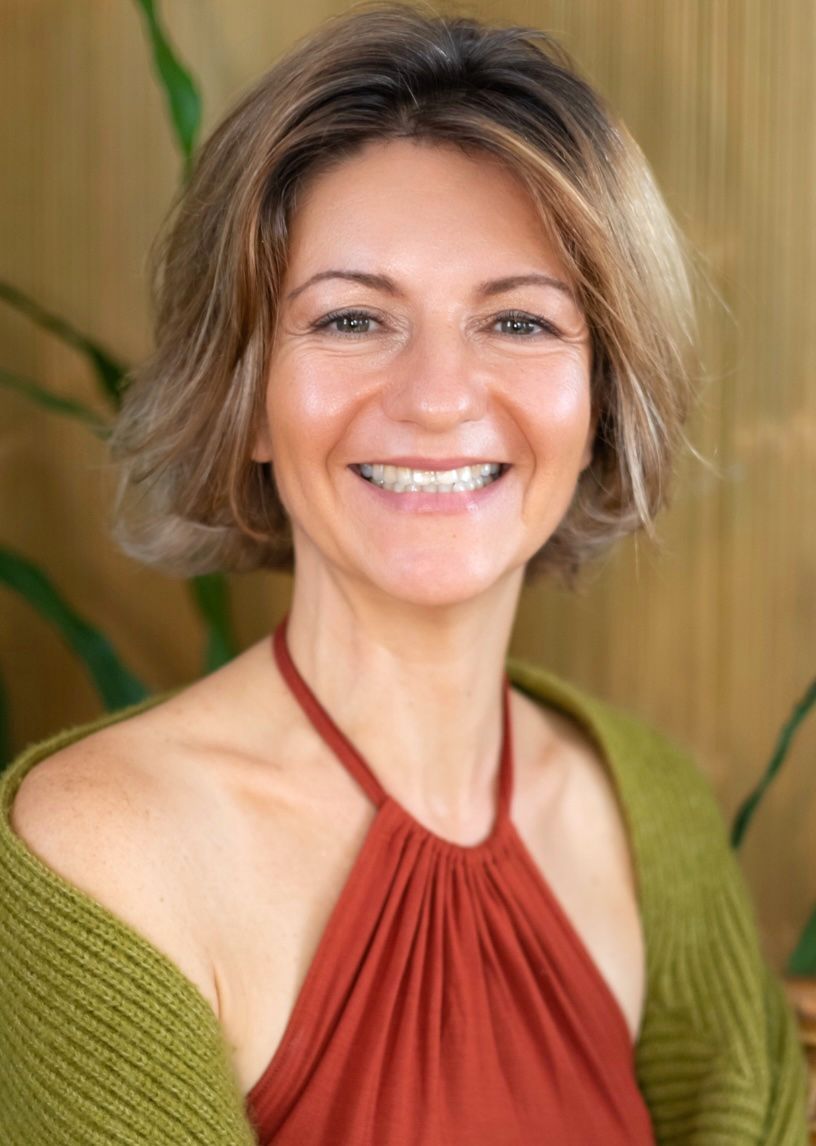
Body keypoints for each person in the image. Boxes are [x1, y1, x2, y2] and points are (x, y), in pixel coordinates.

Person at [0, 2, 809, 1143]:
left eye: (520, 325)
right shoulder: (103, 849)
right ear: (251, 401)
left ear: (601, 403)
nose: (437, 397)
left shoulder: (648, 815)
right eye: (351, 319)